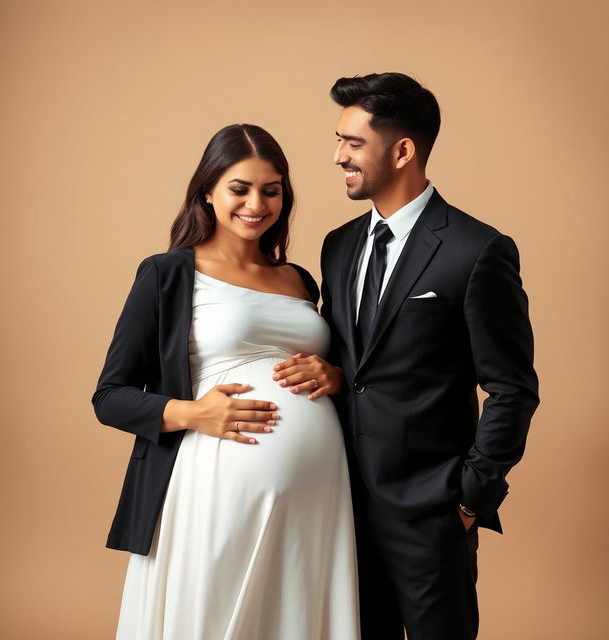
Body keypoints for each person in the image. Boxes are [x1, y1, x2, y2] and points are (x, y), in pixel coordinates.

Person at [273, 73, 540, 639]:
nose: (337, 156)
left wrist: (469, 499)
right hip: (339, 503)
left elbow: (513, 388)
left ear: (402, 150)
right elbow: (364, 366)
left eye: (352, 143)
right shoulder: (339, 245)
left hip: (431, 512)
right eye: (338, 140)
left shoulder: (477, 250)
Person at [91, 124, 360, 640]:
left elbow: (341, 369)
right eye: (240, 188)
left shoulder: (299, 279)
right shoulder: (167, 273)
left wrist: (336, 374)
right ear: (208, 191)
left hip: (316, 494)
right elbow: (109, 397)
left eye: (271, 189)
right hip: (213, 486)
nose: (256, 203)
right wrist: (193, 413)